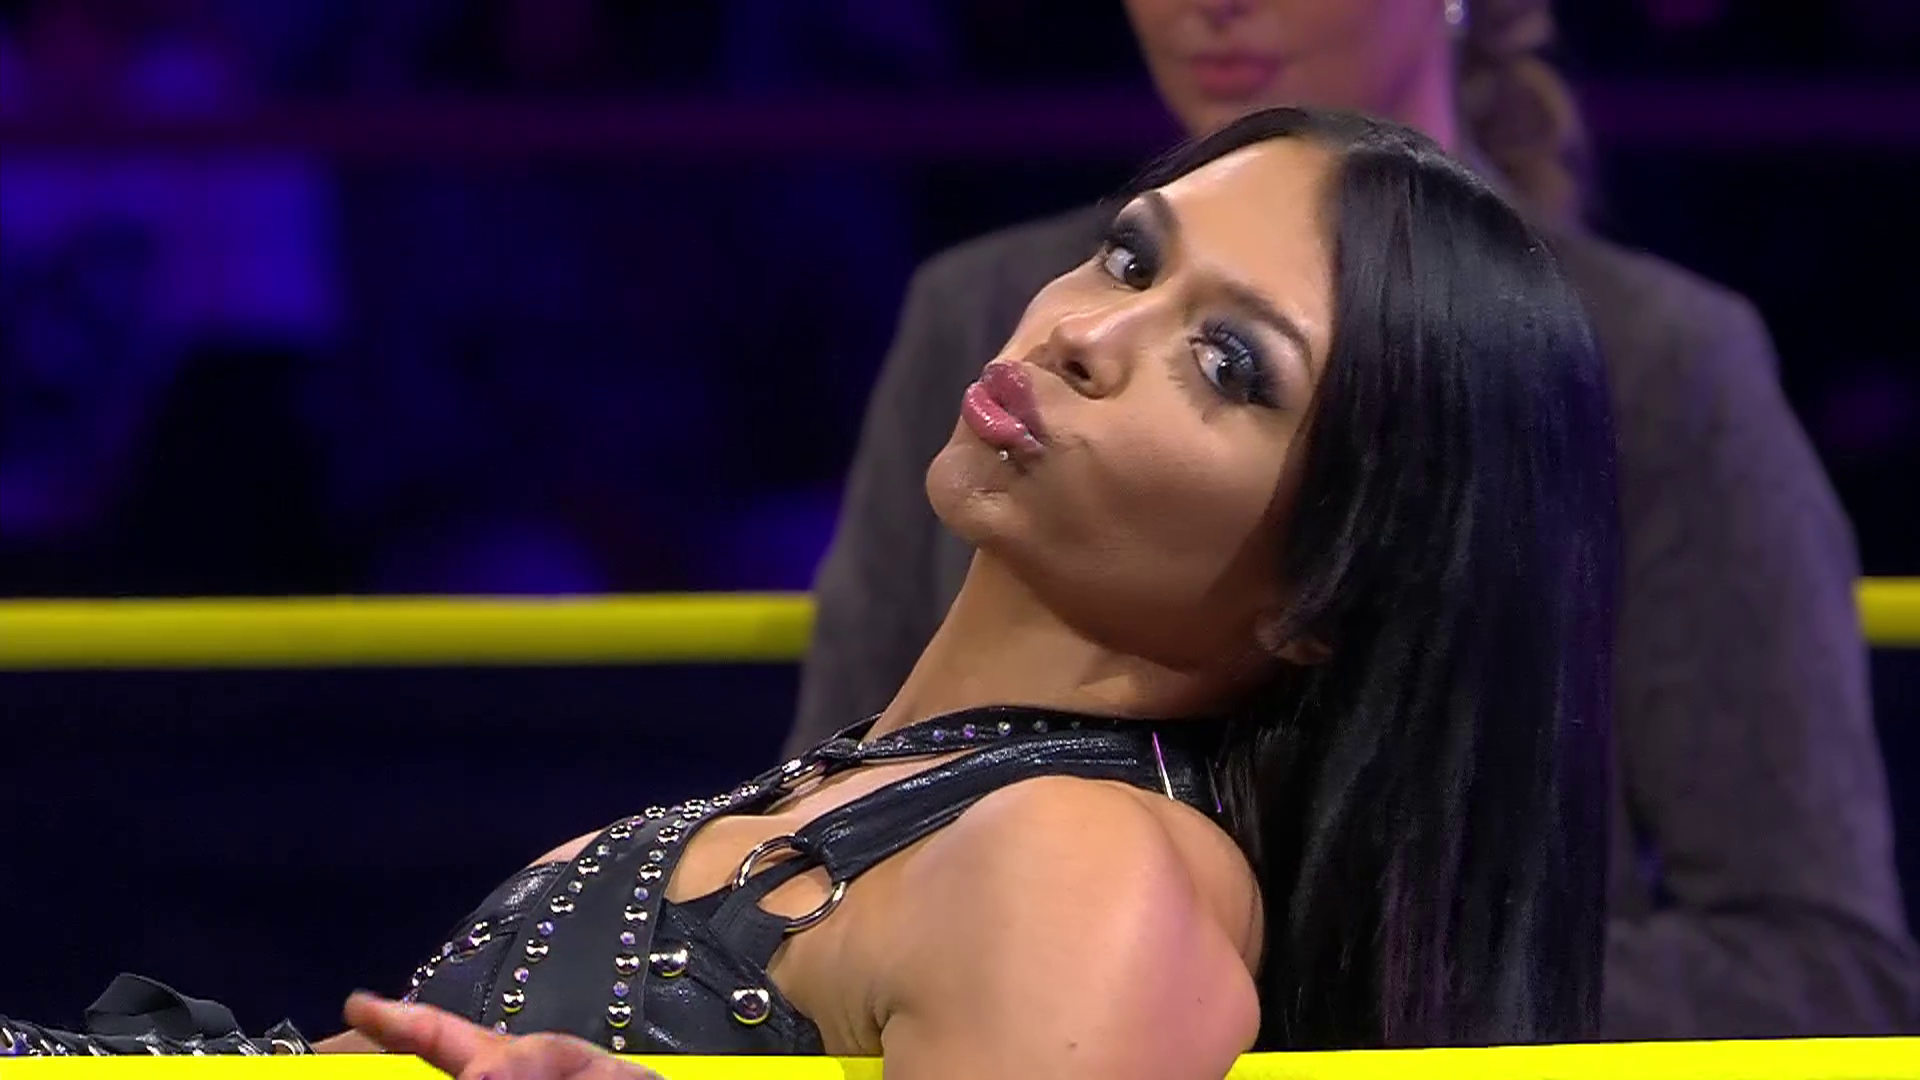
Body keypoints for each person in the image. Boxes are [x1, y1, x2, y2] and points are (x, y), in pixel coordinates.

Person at [0, 107, 1618, 1075]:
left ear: (1324, 596)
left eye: (1226, 364)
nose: (1085, 332)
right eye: (1131, 256)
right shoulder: (873, 810)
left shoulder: (1089, 870)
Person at [788, 0, 1920, 1039]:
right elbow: (820, 821)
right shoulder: (991, 317)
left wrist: (1165, 982)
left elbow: (1818, 965)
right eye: (1128, 261)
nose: (1209, 6)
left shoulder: (1659, 361)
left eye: (1232, 366)